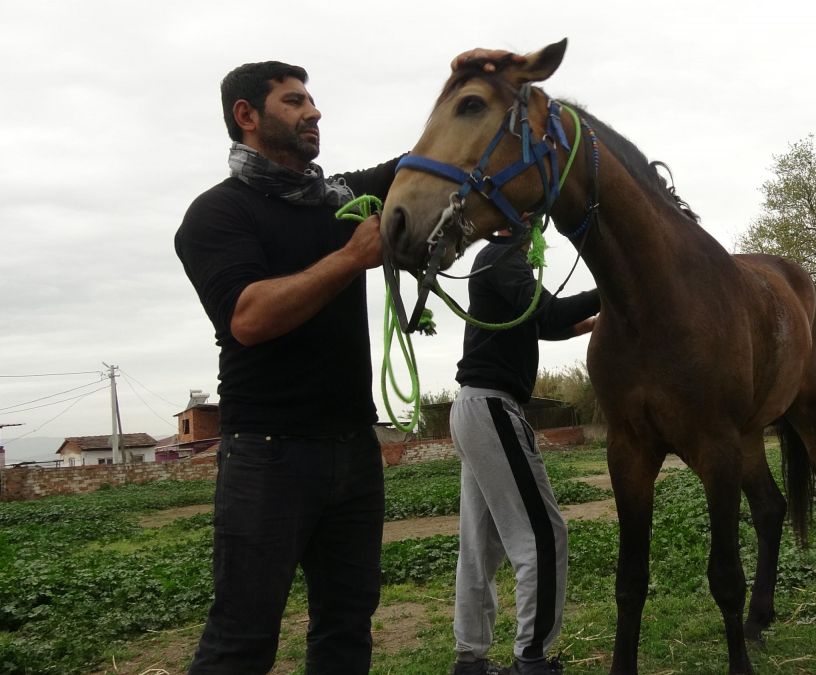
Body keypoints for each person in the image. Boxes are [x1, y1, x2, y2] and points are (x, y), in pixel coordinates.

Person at [175, 49, 518, 675]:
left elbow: (426, 162)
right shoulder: (216, 214)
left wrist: (472, 81)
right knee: (242, 637)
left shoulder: (338, 197)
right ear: (246, 115)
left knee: (346, 623)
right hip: (266, 454)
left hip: (353, 450)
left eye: (311, 99)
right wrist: (346, 259)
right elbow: (248, 318)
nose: (314, 111)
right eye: (294, 101)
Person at [450, 234, 600, 675]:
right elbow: (548, 310)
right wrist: (611, 283)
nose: (536, 223)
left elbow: (543, 323)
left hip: (475, 406)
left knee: (480, 546)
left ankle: (470, 660)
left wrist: (592, 322)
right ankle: (531, 659)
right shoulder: (501, 257)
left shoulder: (500, 264)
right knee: (544, 537)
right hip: (492, 407)